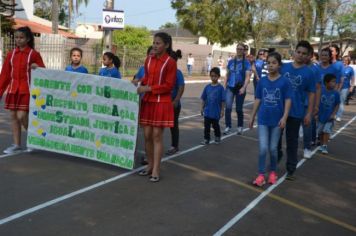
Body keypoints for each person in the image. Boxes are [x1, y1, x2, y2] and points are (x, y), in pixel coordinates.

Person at [137, 32, 177, 182]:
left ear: (166, 45)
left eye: (158, 43)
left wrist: (147, 88)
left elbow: (168, 85)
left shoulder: (170, 62)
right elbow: (147, 78)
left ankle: (156, 170)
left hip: (161, 102)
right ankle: (149, 165)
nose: (155, 45)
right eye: (154, 43)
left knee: (156, 136)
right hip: (148, 102)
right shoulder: (148, 59)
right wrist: (138, 81)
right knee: (146, 136)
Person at [0, 26, 45, 154]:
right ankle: (16, 144)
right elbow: (5, 75)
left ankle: (33, 140)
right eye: (17, 37)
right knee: (13, 117)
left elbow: (43, 70)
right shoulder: (11, 54)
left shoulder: (33, 54)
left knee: (22, 116)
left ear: (28, 39)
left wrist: (38, 66)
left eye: (21, 37)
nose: (18, 40)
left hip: (27, 90)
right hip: (13, 90)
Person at [249, 52, 292, 186]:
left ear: (279, 65)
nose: (271, 65)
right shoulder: (262, 81)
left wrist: (284, 117)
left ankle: (272, 172)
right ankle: (261, 174)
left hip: (277, 121)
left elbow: (288, 100)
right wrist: (252, 117)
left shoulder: (284, 81)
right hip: (263, 120)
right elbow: (258, 99)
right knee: (263, 148)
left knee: (273, 149)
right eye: (269, 63)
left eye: (274, 63)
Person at [279, 40, 316, 180]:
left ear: (308, 56)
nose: (300, 55)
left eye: (304, 54)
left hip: (296, 112)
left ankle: (291, 168)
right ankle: (278, 154)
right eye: (298, 52)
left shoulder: (309, 73)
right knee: (276, 139)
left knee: (292, 141)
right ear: (294, 52)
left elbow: (312, 93)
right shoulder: (284, 68)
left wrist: (309, 113)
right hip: (280, 111)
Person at [223, 43, 251, 135]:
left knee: (239, 109)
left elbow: (247, 77)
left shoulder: (246, 62)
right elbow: (227, 74)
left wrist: (244, 87)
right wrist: (224, 85)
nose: (239, 50)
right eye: (238, 48)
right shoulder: (231, 61)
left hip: (240, 88)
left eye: (241, 49)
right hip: (230, 87)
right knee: (228, 107)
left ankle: (240, 126)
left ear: (244, 51)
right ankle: (228, 126)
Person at [166, 49, 185, 155]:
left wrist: (176, 100)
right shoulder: (164, 72)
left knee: (173, 125)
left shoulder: (178, 73)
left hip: (173, 104)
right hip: (163, 103)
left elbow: (181, 87)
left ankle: (174, 146)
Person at [200, 67, 225, 145]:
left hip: (216, 111)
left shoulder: (221, 88)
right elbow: (204, 98)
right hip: (207, 111)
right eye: (212, 76)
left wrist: (222, 110)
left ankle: (217, 136)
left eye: (215, 76)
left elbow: (223, 100)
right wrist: (202, 108)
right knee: (206, 126)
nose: (213, 77)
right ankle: (206, 139)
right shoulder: (207, 87)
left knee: (215, 126)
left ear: (218, 76)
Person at [317, 74, 340, 154]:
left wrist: (333, 114)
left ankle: (325, 145)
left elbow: (337, 104)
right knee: (320, 132)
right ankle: (321, 143)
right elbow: (316, 102)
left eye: (335, 81)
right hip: (320, 115)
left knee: (326, 131)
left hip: (329, 116)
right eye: (332, 82)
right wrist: (316, 113)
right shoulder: (321, 91)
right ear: (326, 83)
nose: (334, 83)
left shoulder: (336, 93)